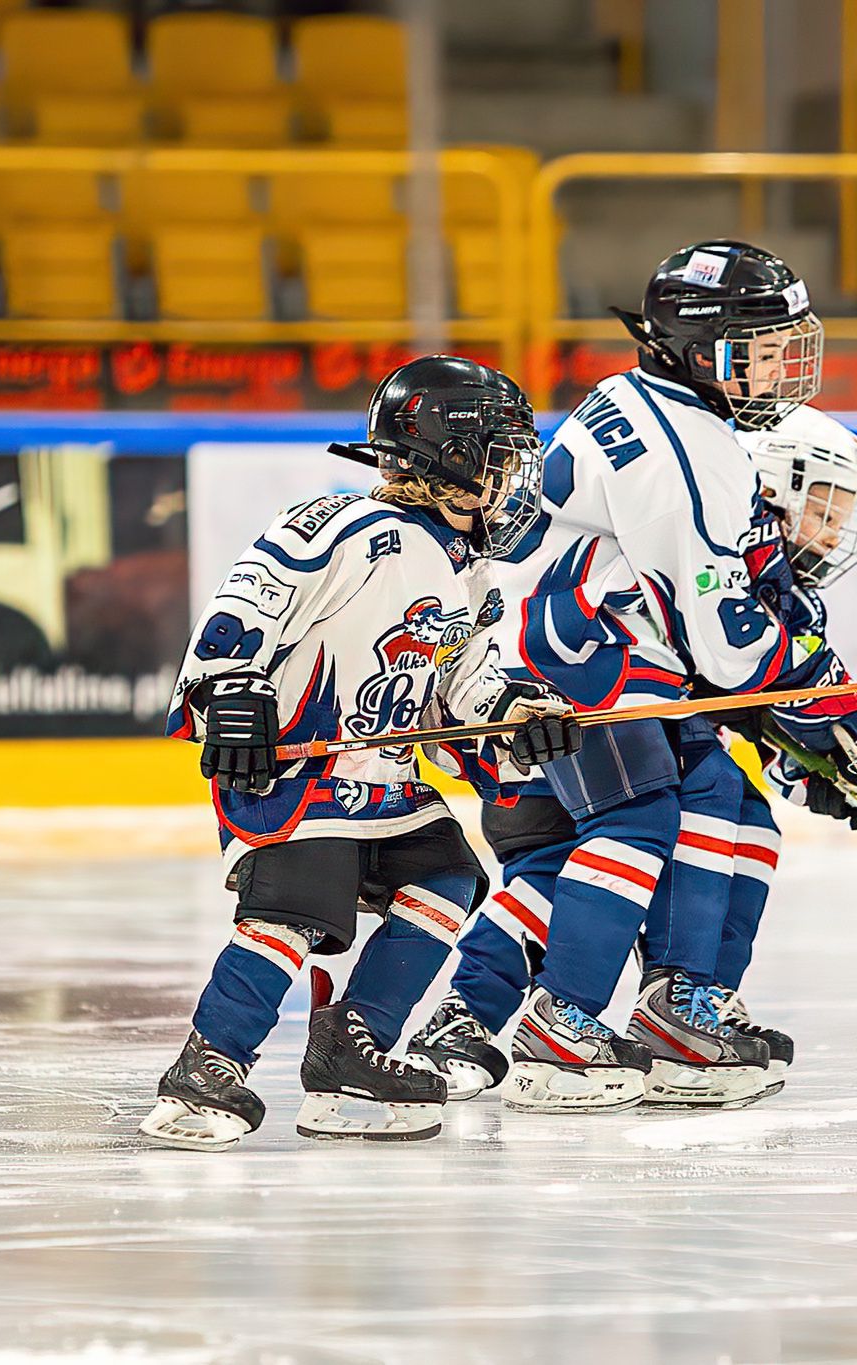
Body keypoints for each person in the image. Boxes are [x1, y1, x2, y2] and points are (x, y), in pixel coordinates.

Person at [410, 243, 857, 1115]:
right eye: (762, 346)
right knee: (632, 821)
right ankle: (560, 1024)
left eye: (787, 343)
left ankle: (677, 1005)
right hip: (560, 670)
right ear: (703, 349)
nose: (783, 365)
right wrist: (822, 707)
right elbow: (729, 646)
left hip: (601, 659)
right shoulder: (691, 454)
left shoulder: (658, 406)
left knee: (734, 809)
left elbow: (706, 632)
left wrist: (797, 720)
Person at [138, 355, 583, 1152]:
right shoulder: (342, 526)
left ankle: (352, 1046)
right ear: (449, 456)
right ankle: (205, 1068)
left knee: (449, 875)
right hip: (299, 766)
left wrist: (520, 717)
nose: (514, 477)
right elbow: (245, 606)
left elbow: (462, 693)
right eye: (500, 457)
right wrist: (228, 693)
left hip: (383, 781)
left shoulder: (474, 574)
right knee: (295, 908)